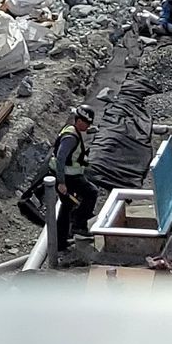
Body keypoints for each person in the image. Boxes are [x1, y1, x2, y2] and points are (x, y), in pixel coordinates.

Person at [53, 103, 95, 257]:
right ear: (79, 121)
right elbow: (60, 158)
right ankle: (78, 225)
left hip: (72, 175)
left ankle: (62, 242)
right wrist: (61, 182)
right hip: (69, 177)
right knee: (91, 193)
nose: (88, 126)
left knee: (66, 208)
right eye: (87, 123)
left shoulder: (73, 131)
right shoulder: (71, 137)